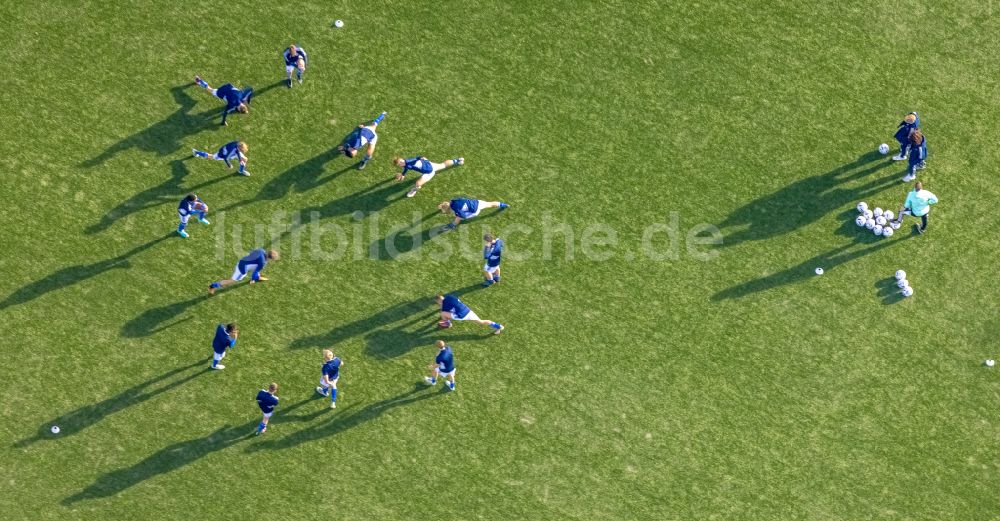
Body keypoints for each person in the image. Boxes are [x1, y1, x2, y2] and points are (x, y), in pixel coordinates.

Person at [209, 248, 279, 294]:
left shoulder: (261, 250)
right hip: (241, 269)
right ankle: (212, 286)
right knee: (232, 281)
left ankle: (258, 277)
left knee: (256, 269)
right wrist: (253, 279)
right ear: (270, 259)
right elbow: (254, 273)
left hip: (242, 261)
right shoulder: (262, 263)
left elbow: (252, 252)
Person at [393, 156, 464, 198]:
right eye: (400, 164)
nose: (402, 163)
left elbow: (417, 158)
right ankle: (458, 160)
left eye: (401, 162)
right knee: (443, 165)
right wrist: (403, 174)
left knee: (418, 183)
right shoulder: (405, 164)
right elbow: (407, 167)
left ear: (402, 159)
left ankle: (414, 191)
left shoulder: (408, 161)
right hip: (429, 164)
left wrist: (420, 157)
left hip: (429, 172)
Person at [436, 293, 504, 334]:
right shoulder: (450, 296)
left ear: (439, 301)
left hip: (461, 315)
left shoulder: (444, 305)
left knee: (442, 314)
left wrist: (441, 306)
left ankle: (448, 323)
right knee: (481, 322)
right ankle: (499, 326)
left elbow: (444, 310)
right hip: (467, 310)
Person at [438, 198, 509, 230]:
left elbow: (463, 216)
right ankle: (503, 205)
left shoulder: (456, 209)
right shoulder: (453, 200)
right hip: (477, 202)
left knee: (458, 217)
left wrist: (457, 216)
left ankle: (453, 225)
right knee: (490, 204)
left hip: (475, 211)